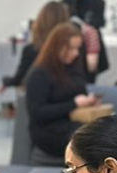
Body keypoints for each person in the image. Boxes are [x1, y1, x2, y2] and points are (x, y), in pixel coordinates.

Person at [25, 24, 96, 159]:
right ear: (57, 48)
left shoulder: (74, 68)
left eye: (77, 48)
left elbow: (80, 92)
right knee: (87, 139)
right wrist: (73, 104)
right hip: (48, 130)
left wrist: (87, 100)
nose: (75, 53)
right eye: (70, 49)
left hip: (73, 123)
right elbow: (37, 112)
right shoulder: (40, 74)